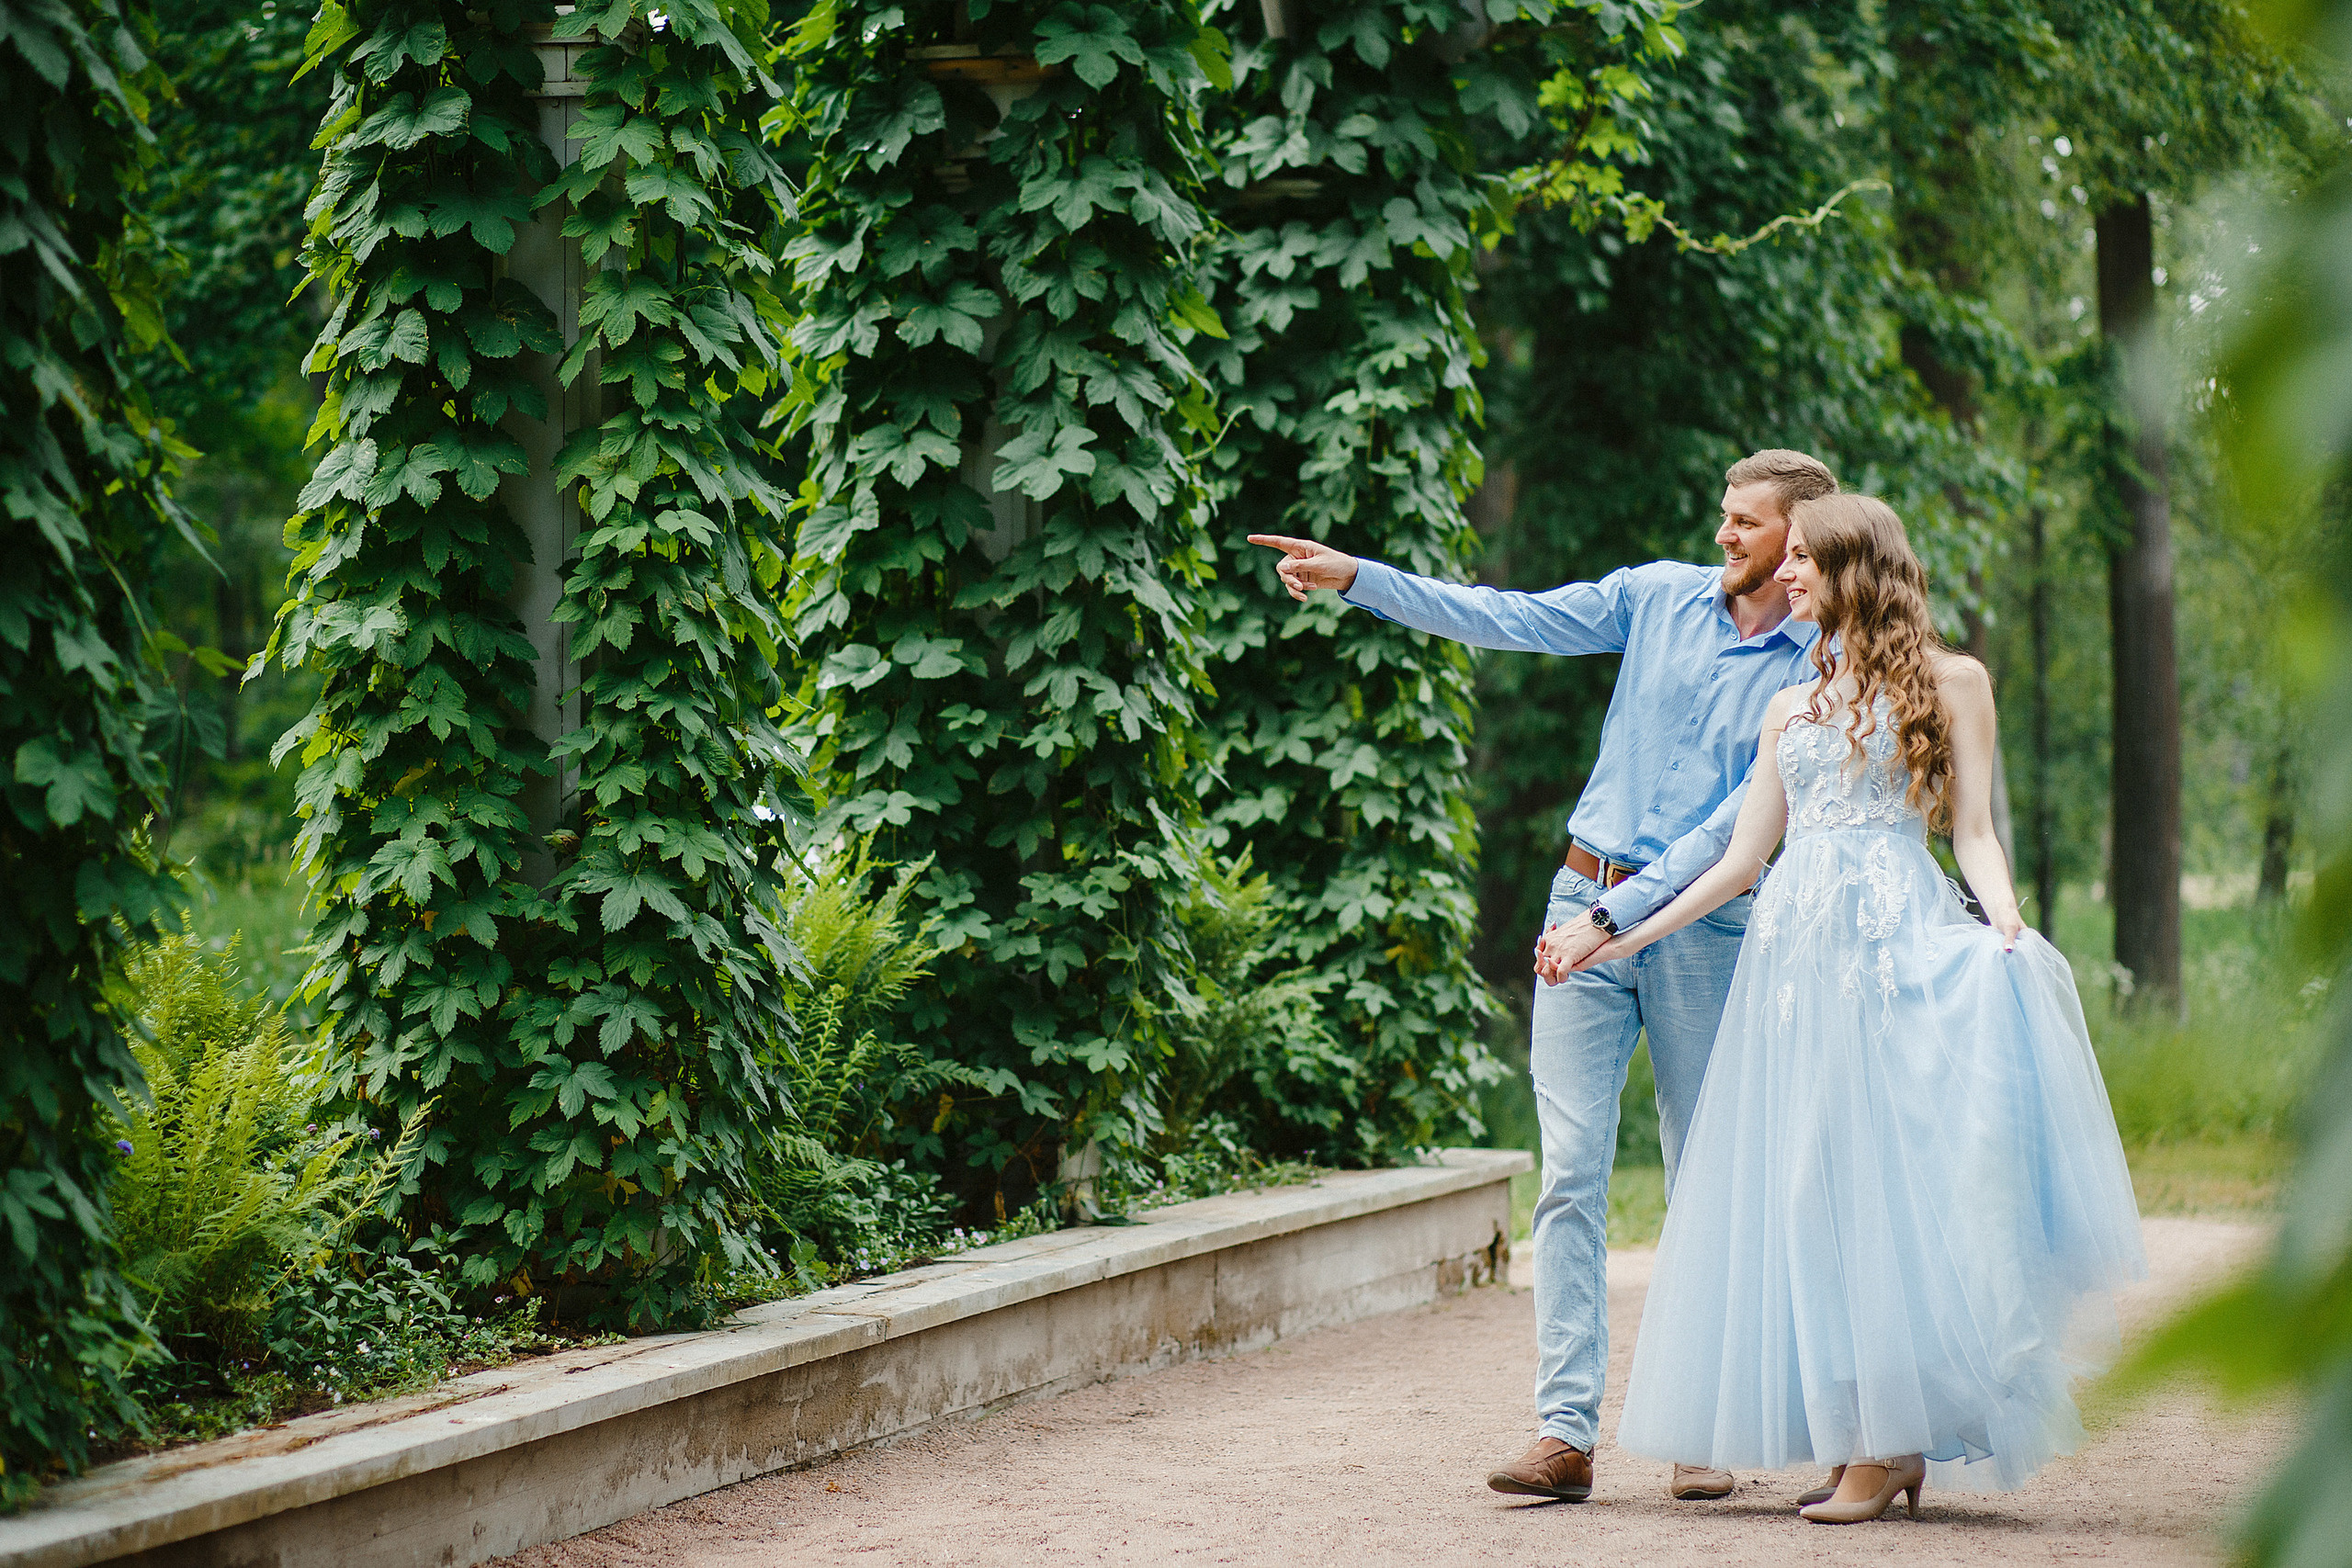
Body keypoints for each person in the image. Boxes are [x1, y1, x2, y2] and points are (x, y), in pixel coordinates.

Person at [1250, 449, 1837, 1504]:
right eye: (1723, 516)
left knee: (1703, 1179)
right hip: (1580, 907)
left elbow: (1731, 830)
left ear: (1799, 536)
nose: (1724, 538)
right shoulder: (1655, 598)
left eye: (1747, 525)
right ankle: (1563, 1433)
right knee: (1568, 1174)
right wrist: (1362, 580)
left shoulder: (1817, 667)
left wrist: (1625, 916)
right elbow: (1508, 616)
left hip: (1704, 928)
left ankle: (1697, 1425)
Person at [1581, 494, 2146, 1519]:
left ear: (1855, 567)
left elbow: (1970, 831)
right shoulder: (1791, 705)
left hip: (1891, 949)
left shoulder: (1954, 682)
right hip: (1792, 966)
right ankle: (1866, 1436)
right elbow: (1744, 857)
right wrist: (1627, 932)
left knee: (1893, 1188)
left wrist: (2007, 926)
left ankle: (1884, 1447)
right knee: (1808, 1191)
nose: (1783, 573)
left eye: (1801, 557)